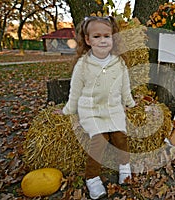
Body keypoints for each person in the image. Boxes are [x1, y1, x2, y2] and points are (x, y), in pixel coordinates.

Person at [57, 16, 136, 199]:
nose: (102, 40)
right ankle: (92, 177)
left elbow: (125, 87)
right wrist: (67, 110)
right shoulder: (83, 65)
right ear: (87, 40)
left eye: (107, 36)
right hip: (91, 110)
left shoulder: (119, 63)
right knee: (99, 139)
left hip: (114, 109)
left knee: (120, 137)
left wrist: (130, 103)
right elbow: (75, 92)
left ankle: (124, 168)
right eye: (97, 36)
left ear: (113, 38)